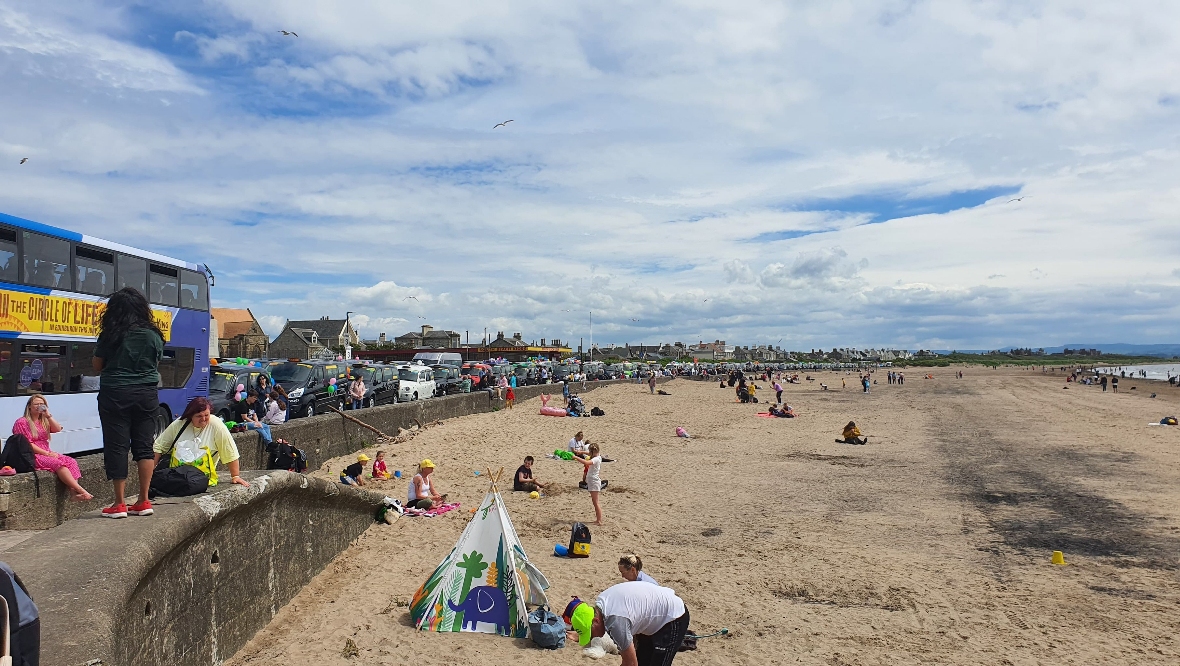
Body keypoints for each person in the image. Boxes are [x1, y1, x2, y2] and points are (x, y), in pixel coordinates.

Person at [95, 286, 165, 519]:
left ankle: (119, 504)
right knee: (144, 446)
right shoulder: (154, 335)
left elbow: (97, 366)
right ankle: (144, 501)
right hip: (146, 394)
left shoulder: (111, 334)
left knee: (117, 446)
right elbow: (155, 364)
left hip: (115, 392)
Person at [146, 397, 249, 513]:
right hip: (177, 474)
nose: (204, 419)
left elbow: (229, 449)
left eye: (206, 415)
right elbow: (159, 447)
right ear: (190, 416)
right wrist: (149, 475)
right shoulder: (179, 424)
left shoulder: (216, 425)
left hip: (201, 477)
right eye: (199, 416)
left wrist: (235, 476)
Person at [568, 582, 689, 666]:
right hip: (653, 616)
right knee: (643, 660)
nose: (593, 638)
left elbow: (631, 664)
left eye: (590, 634)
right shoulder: (601, 603)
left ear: (596, 621)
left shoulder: (615, 622)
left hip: (673, 615)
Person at [12, 394, 92, 501]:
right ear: (29, 406)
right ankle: (80, 490)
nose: (39, 406)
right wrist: (47, 454)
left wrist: (48, 415)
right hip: (32, 454)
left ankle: (73, 494)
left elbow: (57, 428)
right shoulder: (22, 422)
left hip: (46, 451)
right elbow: (27, 443)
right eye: (36, 404)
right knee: (59, 464)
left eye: (42, 404)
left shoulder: (43, 421)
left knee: (71, 462)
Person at [571, 442, 603, 525]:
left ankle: (599, 520)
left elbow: (586, 462)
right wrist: (581, 452)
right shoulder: (597, 455)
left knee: (596, 502)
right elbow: (589, 453)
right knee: (594, 502)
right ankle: (598, 520)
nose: (590, 454)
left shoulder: (596, 459)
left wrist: (576, 457)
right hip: (592, 481)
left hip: (594, 482)